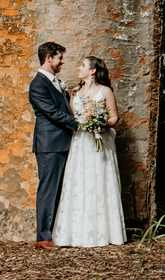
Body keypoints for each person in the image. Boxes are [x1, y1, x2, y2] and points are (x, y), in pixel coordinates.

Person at [52, 55, 127, 247]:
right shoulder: (75, 92)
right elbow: (72, 117)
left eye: (82, 65)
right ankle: (76, 234)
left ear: (93, 70)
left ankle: (103, 234)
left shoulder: (105, 91)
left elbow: (114, 117)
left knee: (99, 181)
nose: (79, 68)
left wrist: (100, 124)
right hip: (80, 143)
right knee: (79, 182)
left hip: (99, 140)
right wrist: (81, 123)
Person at [29, 41, 78, 250]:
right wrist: (79, 123)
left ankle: (57, 234)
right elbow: (52, 113)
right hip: (49, 145)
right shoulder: (38, 84)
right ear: (48, 58)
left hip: (64, 143)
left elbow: (64, 108)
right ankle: (43, 238)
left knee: (61, 190)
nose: (62, 61)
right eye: (59, 57)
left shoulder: (57, 82)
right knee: (48, 190)